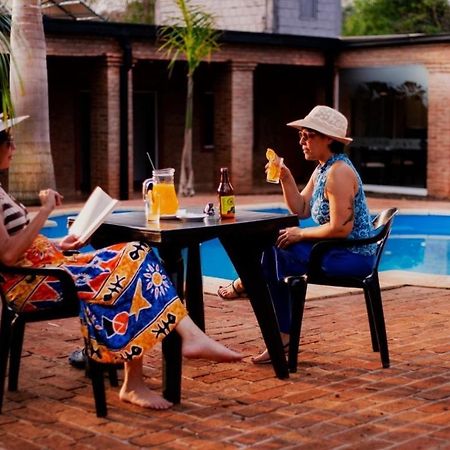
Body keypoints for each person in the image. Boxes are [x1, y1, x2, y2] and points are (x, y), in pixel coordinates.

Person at [0, 116, 242, 410]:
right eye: (8, 141)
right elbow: (8, 255)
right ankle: (180, 345)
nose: (13, 147)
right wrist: (46, 210)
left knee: (134, 256)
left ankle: (147, 372)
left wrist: (57, 244)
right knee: (132, 261)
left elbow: (20, 243)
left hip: (50, 268)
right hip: (37, 284)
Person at [218, 105, 376, 364]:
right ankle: (274, 322)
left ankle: (273, 321)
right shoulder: (324, 168)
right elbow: (301, 209)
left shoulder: (339, 173)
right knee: (274, 247)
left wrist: (301, 236)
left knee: (275, 251)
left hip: (352, 256)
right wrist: (285, 177)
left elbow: (341, 228)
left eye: (308, 135)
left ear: (329, 139)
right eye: (301, 134)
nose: (302, 140)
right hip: (334, 249)